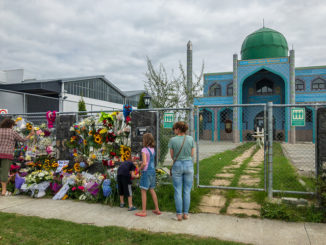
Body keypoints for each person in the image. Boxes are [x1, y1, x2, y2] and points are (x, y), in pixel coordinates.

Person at [0, 117, 34, 196]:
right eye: (13, 125)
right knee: (4, 172)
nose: (13, 126)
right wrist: (30, 135)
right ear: (10, 125)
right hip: (7, 154)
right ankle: (4, 191)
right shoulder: (12, 132)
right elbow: (22, 140)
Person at [168, 121, 195, 221]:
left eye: (174, 129)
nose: (174, 130)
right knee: (187, 191)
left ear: (178, 129)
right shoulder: (190, 139)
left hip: (177, 165)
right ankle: (186, 214)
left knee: (178, 190)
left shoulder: (172, 140)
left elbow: (172, 156)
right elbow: (192, 154)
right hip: (188, 164)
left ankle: (179, 215)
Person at [135, 133, 161, 217]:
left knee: (143, 191)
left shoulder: (144, 150)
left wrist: (138, 169)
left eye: (143, 139)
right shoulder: (153, 149)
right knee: (152, 189)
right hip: (152, 171)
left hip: (146, 172)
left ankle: (143, 211)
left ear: (145, 140)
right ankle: (157, 209)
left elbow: (144, 163)